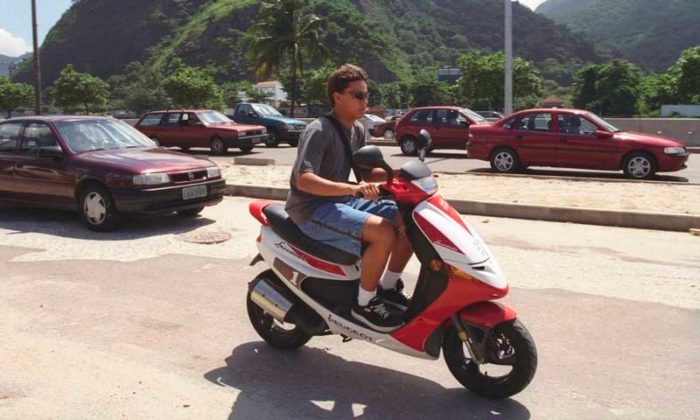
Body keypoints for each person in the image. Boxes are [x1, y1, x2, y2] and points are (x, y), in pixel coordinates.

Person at [285, 64, 413, 332]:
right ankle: (364, 304)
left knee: (410, 219)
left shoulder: (357, 130)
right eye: (358, 95)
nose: (365, 101)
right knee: (384, 233)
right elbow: (303, 179)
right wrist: (351, 189)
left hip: (340, 201)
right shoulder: (319, 130)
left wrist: (404, 172)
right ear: (337, 96)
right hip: (312, 208)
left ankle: (388, 286)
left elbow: (365, 171)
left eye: (366, 95)